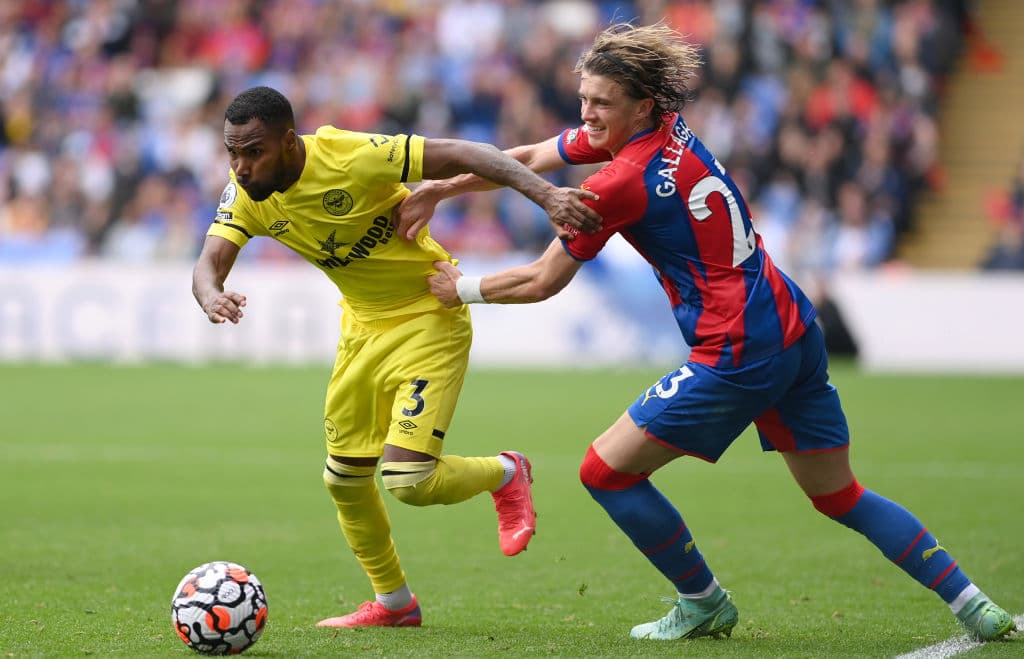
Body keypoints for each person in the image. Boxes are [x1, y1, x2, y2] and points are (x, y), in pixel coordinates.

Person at [396, 23, 1016, 643]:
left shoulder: (618, 182)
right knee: (840, 495)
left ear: (642, 105)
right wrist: (443, 188)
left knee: (604, 471)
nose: (586, 114)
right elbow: (529, 160)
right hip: (791, 325)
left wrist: (463, 288)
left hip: (736, 349)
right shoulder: (667, 129)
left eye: (601, 103)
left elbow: (541, 280)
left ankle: (703, 602)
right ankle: (974, 605)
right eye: (583, 98)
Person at [192, 86, 601, 628]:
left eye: (253, 152)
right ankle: (394, 603)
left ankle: (505, 472)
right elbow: (208, 264)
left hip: (429, 311)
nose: (240, 167)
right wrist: (210, 296)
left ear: (289, 142)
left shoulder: (350, 156)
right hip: (362, 328)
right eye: (232, 153)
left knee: (409, 481)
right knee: (343, 480)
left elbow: (469, 153)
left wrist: (547, 197)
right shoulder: (246, 194)